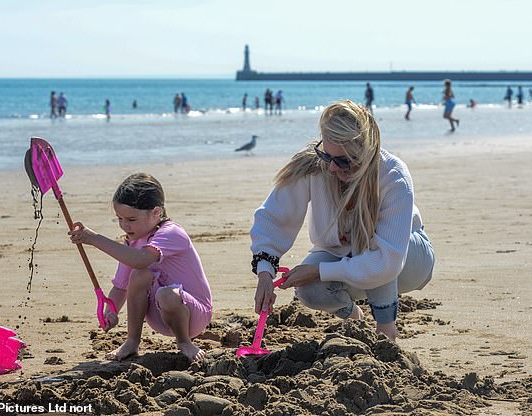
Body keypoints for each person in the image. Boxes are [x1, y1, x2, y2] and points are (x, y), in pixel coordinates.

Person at [250, 100, 435, 342]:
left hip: (409, 261)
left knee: (366, 242)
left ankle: (386, 330)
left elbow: (386, 262)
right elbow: (273, 216)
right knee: (309, 290)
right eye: (327, 155)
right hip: (344, 253)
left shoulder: (393, 176)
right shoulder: (316, 166)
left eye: (344, 161)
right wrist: (265, 273)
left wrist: (319, 270)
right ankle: (354, 318)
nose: (333, 168)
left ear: (366, 153)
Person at [68, 173, 212, 361]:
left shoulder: (172, 233)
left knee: (165, 293)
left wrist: (94, 239)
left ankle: (185, 342)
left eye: (131, 219)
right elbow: (121, 287)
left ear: (156, 213)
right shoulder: (133, 243)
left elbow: (141, 259)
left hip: (194, 314)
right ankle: (132, 341)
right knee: (139, 275)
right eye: (119, 218)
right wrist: (110, 312)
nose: (124, 225)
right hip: (159, 315)